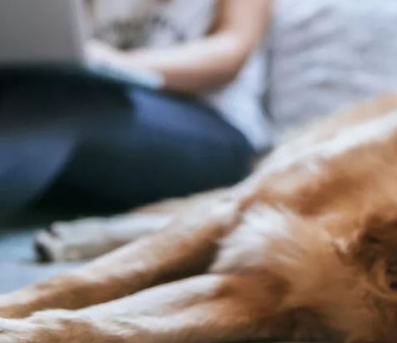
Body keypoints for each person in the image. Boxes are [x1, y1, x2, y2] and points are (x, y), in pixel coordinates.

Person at [0, 0, 273, 219]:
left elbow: (231, 52)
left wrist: (120, 63)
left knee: (71, 106)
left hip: (215, 132)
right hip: (90, 115)